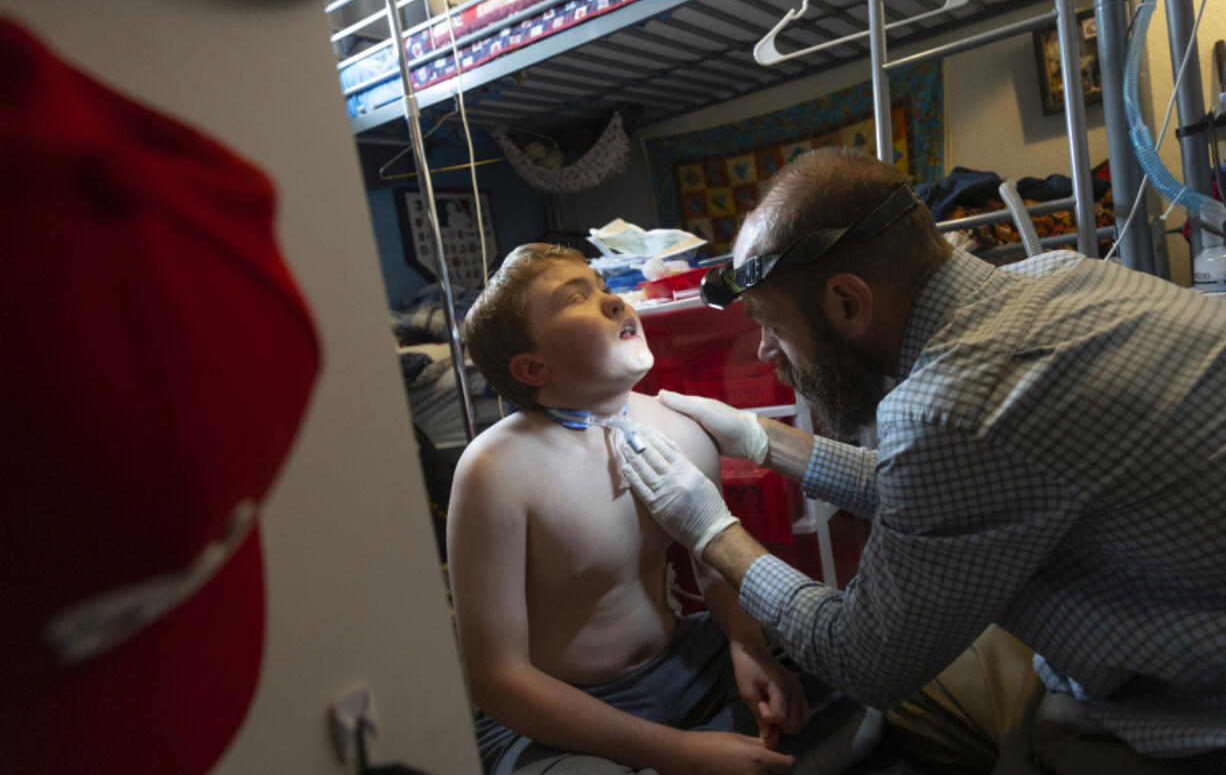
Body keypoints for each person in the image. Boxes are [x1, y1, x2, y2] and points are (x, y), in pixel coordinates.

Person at [614, 147, 1226, 775]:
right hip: (1180, 621)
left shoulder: (948, 405)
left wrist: (713, 533)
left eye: (771, 324)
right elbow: (945, 487)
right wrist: (762, 439)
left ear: (847, 303)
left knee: (895, 697)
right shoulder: (1063, 275)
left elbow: (864, 659)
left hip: (1195, 718)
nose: (767, 350)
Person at [447, 243, 883, 775]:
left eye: (605, 288)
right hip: (562, 703)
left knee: (861, 683)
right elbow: (498, 678)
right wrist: (680, 752)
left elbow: (716, 567)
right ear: (533, 366)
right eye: (576, 299)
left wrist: (746, 647)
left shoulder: (673, 424)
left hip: (683, 661)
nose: (614, 302)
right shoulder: (494, 471)